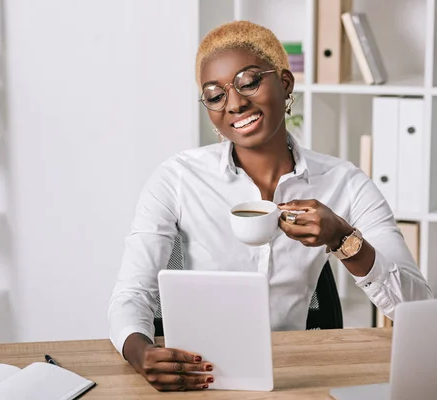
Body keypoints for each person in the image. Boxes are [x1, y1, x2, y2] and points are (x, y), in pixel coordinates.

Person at [107, 20, 433, 392]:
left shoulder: (346, 183)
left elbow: (415, 307)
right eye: (215, 96)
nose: (235, 103)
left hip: (293, 377)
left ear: (286, 83)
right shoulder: (177, 179)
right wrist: (139, 352)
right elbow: (131, 294)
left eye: (249, 82)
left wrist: (344, 239)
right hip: (201, 377)